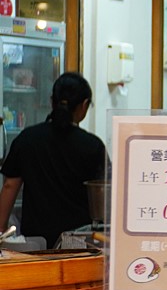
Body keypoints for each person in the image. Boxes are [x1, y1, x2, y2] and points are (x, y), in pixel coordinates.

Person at [0, 72, 107, 248]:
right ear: (84, 105)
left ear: (52, 101)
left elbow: (10, 186)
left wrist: (1, 228)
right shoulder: (92, 146)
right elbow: (104, 195)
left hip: (34, 244)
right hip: (78, 243)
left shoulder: (27, 139)